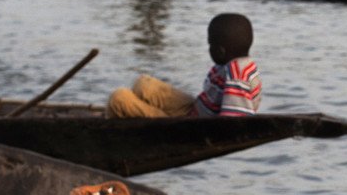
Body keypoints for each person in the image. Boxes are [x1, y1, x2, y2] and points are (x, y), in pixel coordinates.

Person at [107, 13, 261, 118]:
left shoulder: (237, 75)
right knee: (143, 84)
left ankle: (111, 129)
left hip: (194, 126)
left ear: (221, 51)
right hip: (195, 109)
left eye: (210, 44)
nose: (208, 48)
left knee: (119, 98)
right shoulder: (235, 64)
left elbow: (234, 121)